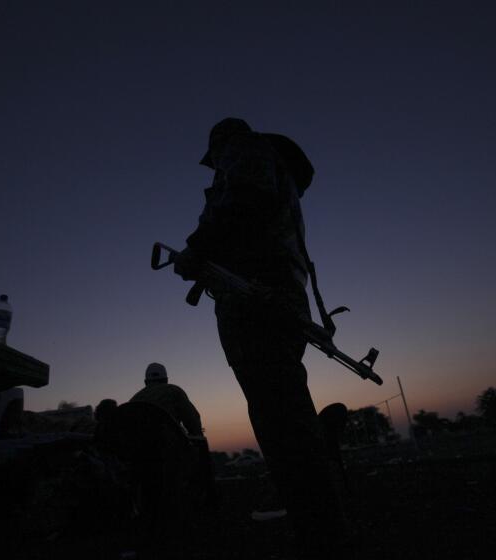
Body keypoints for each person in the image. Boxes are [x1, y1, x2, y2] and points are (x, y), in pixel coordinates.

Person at [173, 118, 345, 556]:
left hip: (257, 298)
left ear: (220, 145)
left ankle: (318, 528)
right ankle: (316, 518)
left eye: (215, 160)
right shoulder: (274, 170)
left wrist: (197, 247)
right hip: (276, 293)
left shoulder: (245, 149)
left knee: (278, 412)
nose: (215, 168)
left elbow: (243, 199)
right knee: (282, 405)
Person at [130, 362, 203, 437]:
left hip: (137, 445)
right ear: (166, 380)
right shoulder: (174, 391)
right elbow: (193, 421)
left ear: (145, 382)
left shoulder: (133, 399)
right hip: (169, 444)